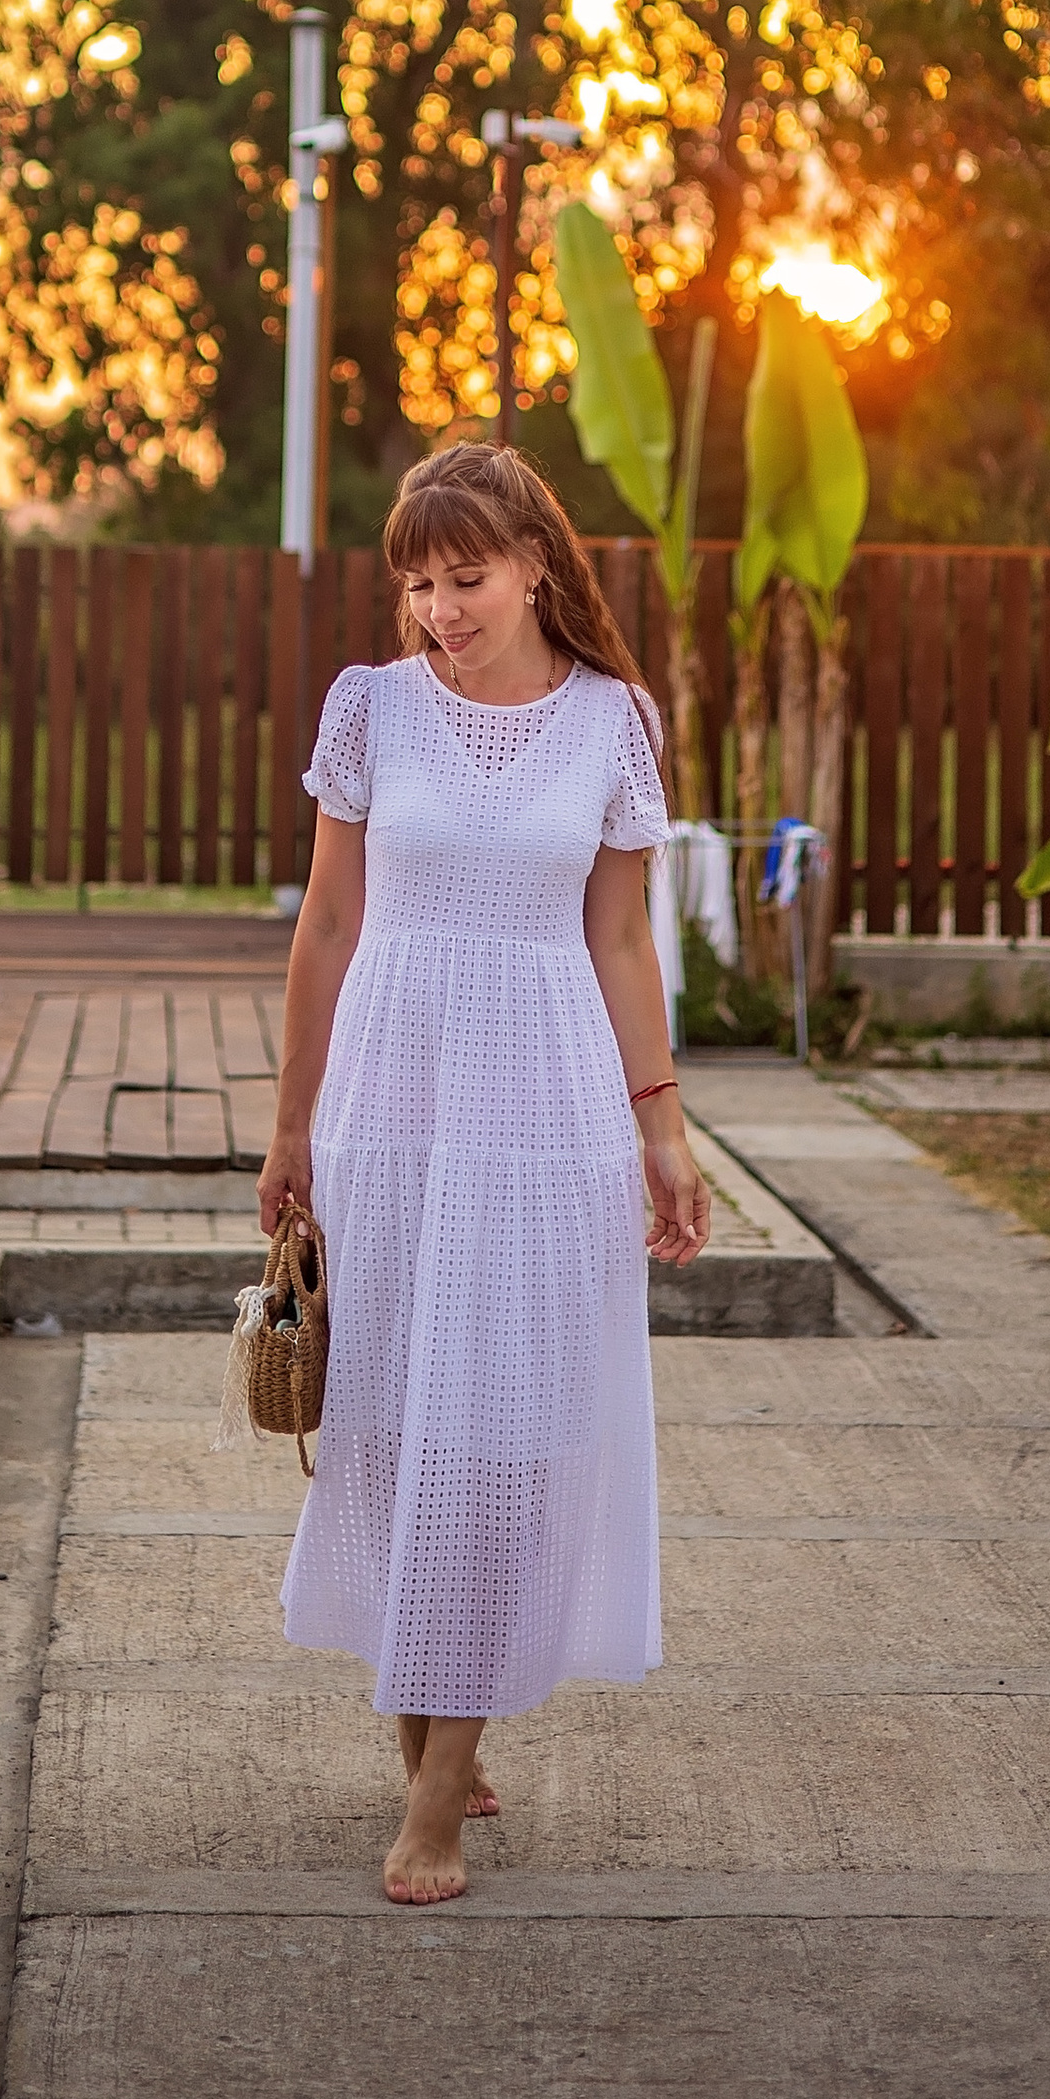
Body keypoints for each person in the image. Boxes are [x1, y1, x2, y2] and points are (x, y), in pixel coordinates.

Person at [258, 439, 711, 1907]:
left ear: (535, 567)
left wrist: (663, 1131)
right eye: (417, 583)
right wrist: (289, 1129)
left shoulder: (612, 723)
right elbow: (326, 928)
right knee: (386, 1423)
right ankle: (432, 1728)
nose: (440, 609)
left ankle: (440, 1795)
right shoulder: (370, 710)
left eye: (466, 578)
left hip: (543, 1110)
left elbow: (624, 940)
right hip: (389, 1100)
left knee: (506, 1433)